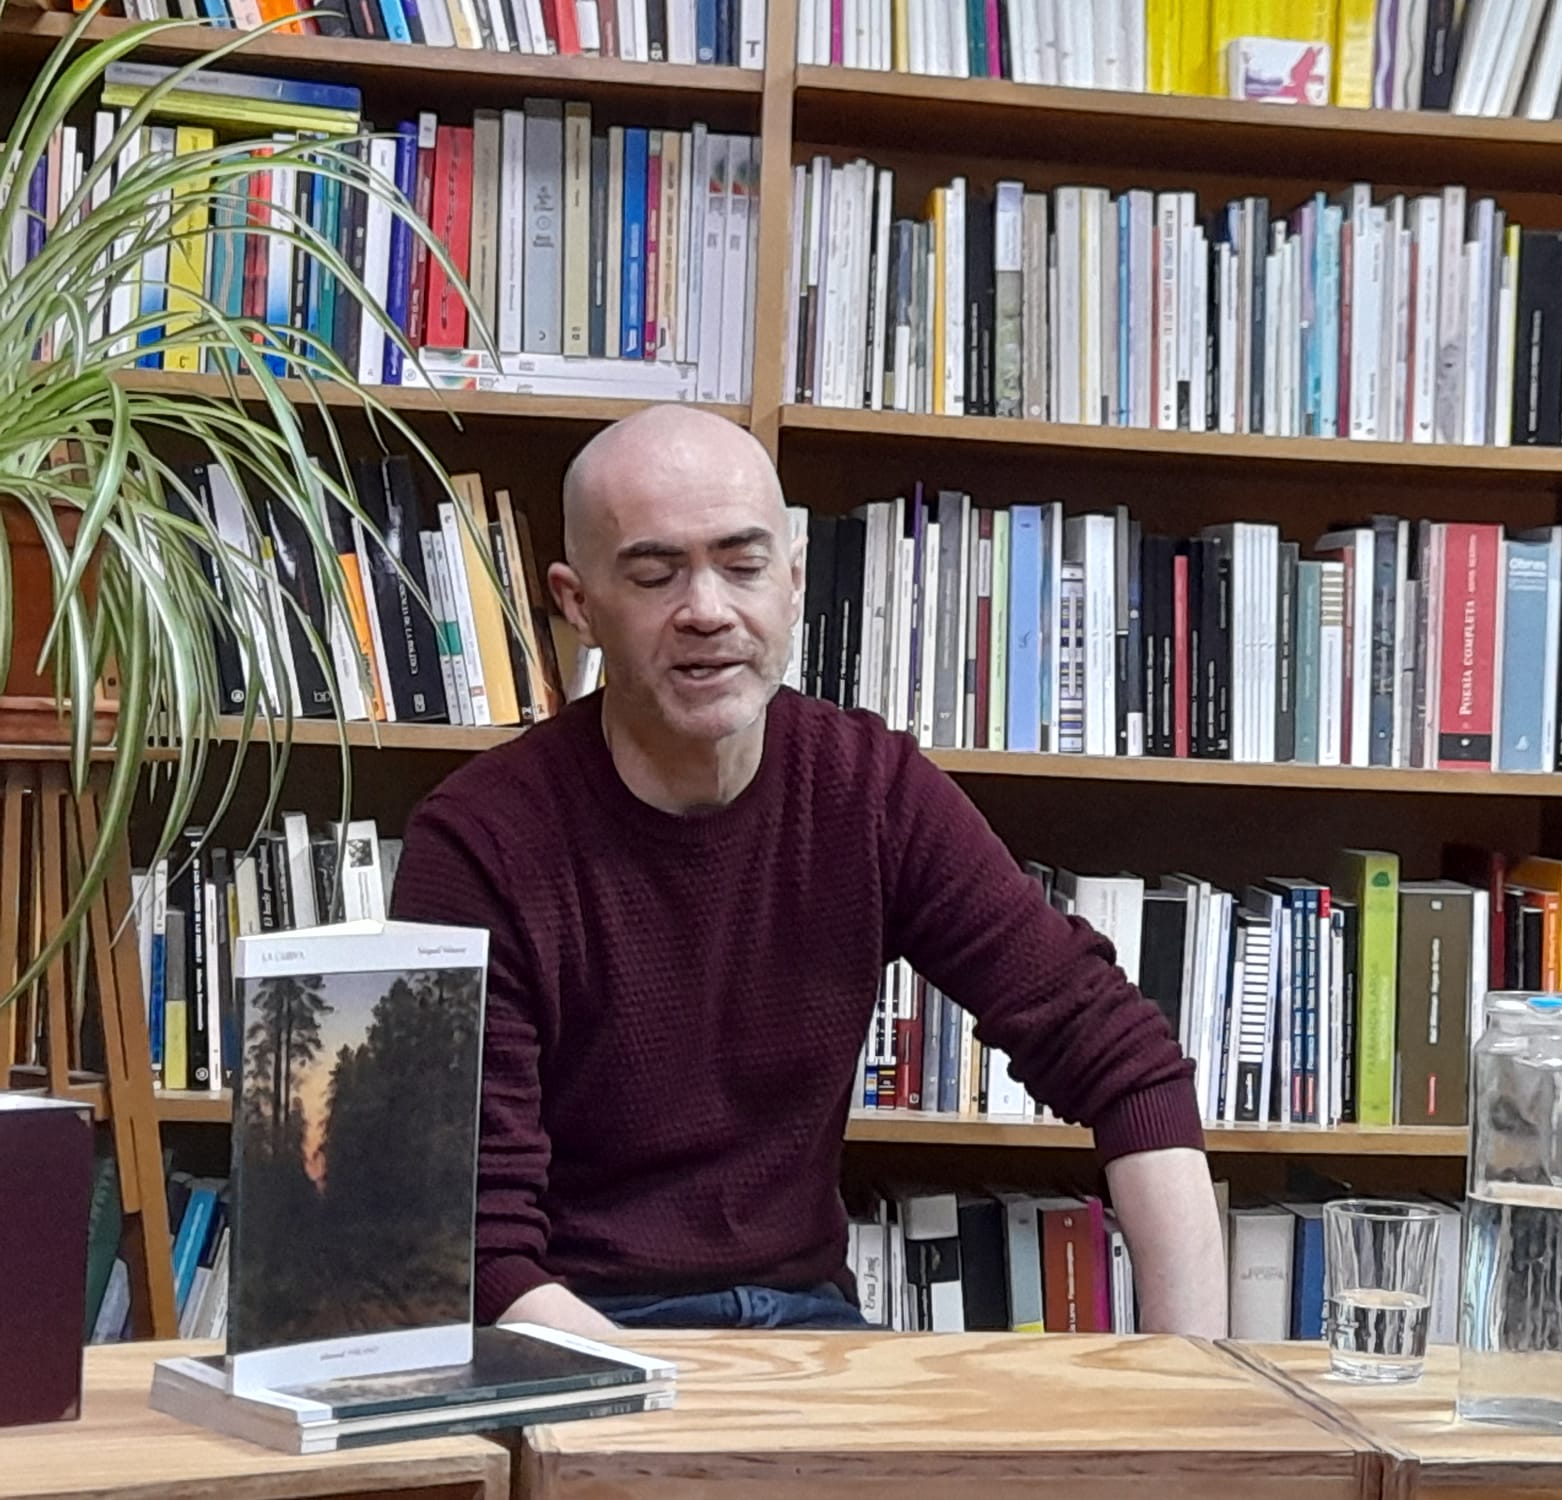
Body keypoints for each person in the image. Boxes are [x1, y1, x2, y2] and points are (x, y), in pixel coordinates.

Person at [389, 404, 1228, 1336]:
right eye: (656, 574)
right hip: (577, 1331)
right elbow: (477, 1246)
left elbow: (1122, 1062)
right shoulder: (480, 841)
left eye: (743, 566)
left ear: (793, 580)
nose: (708, 610)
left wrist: (1193, 1378)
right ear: (576, 603)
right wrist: (673, 1403)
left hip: (808, 1327)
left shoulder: (869, 789)